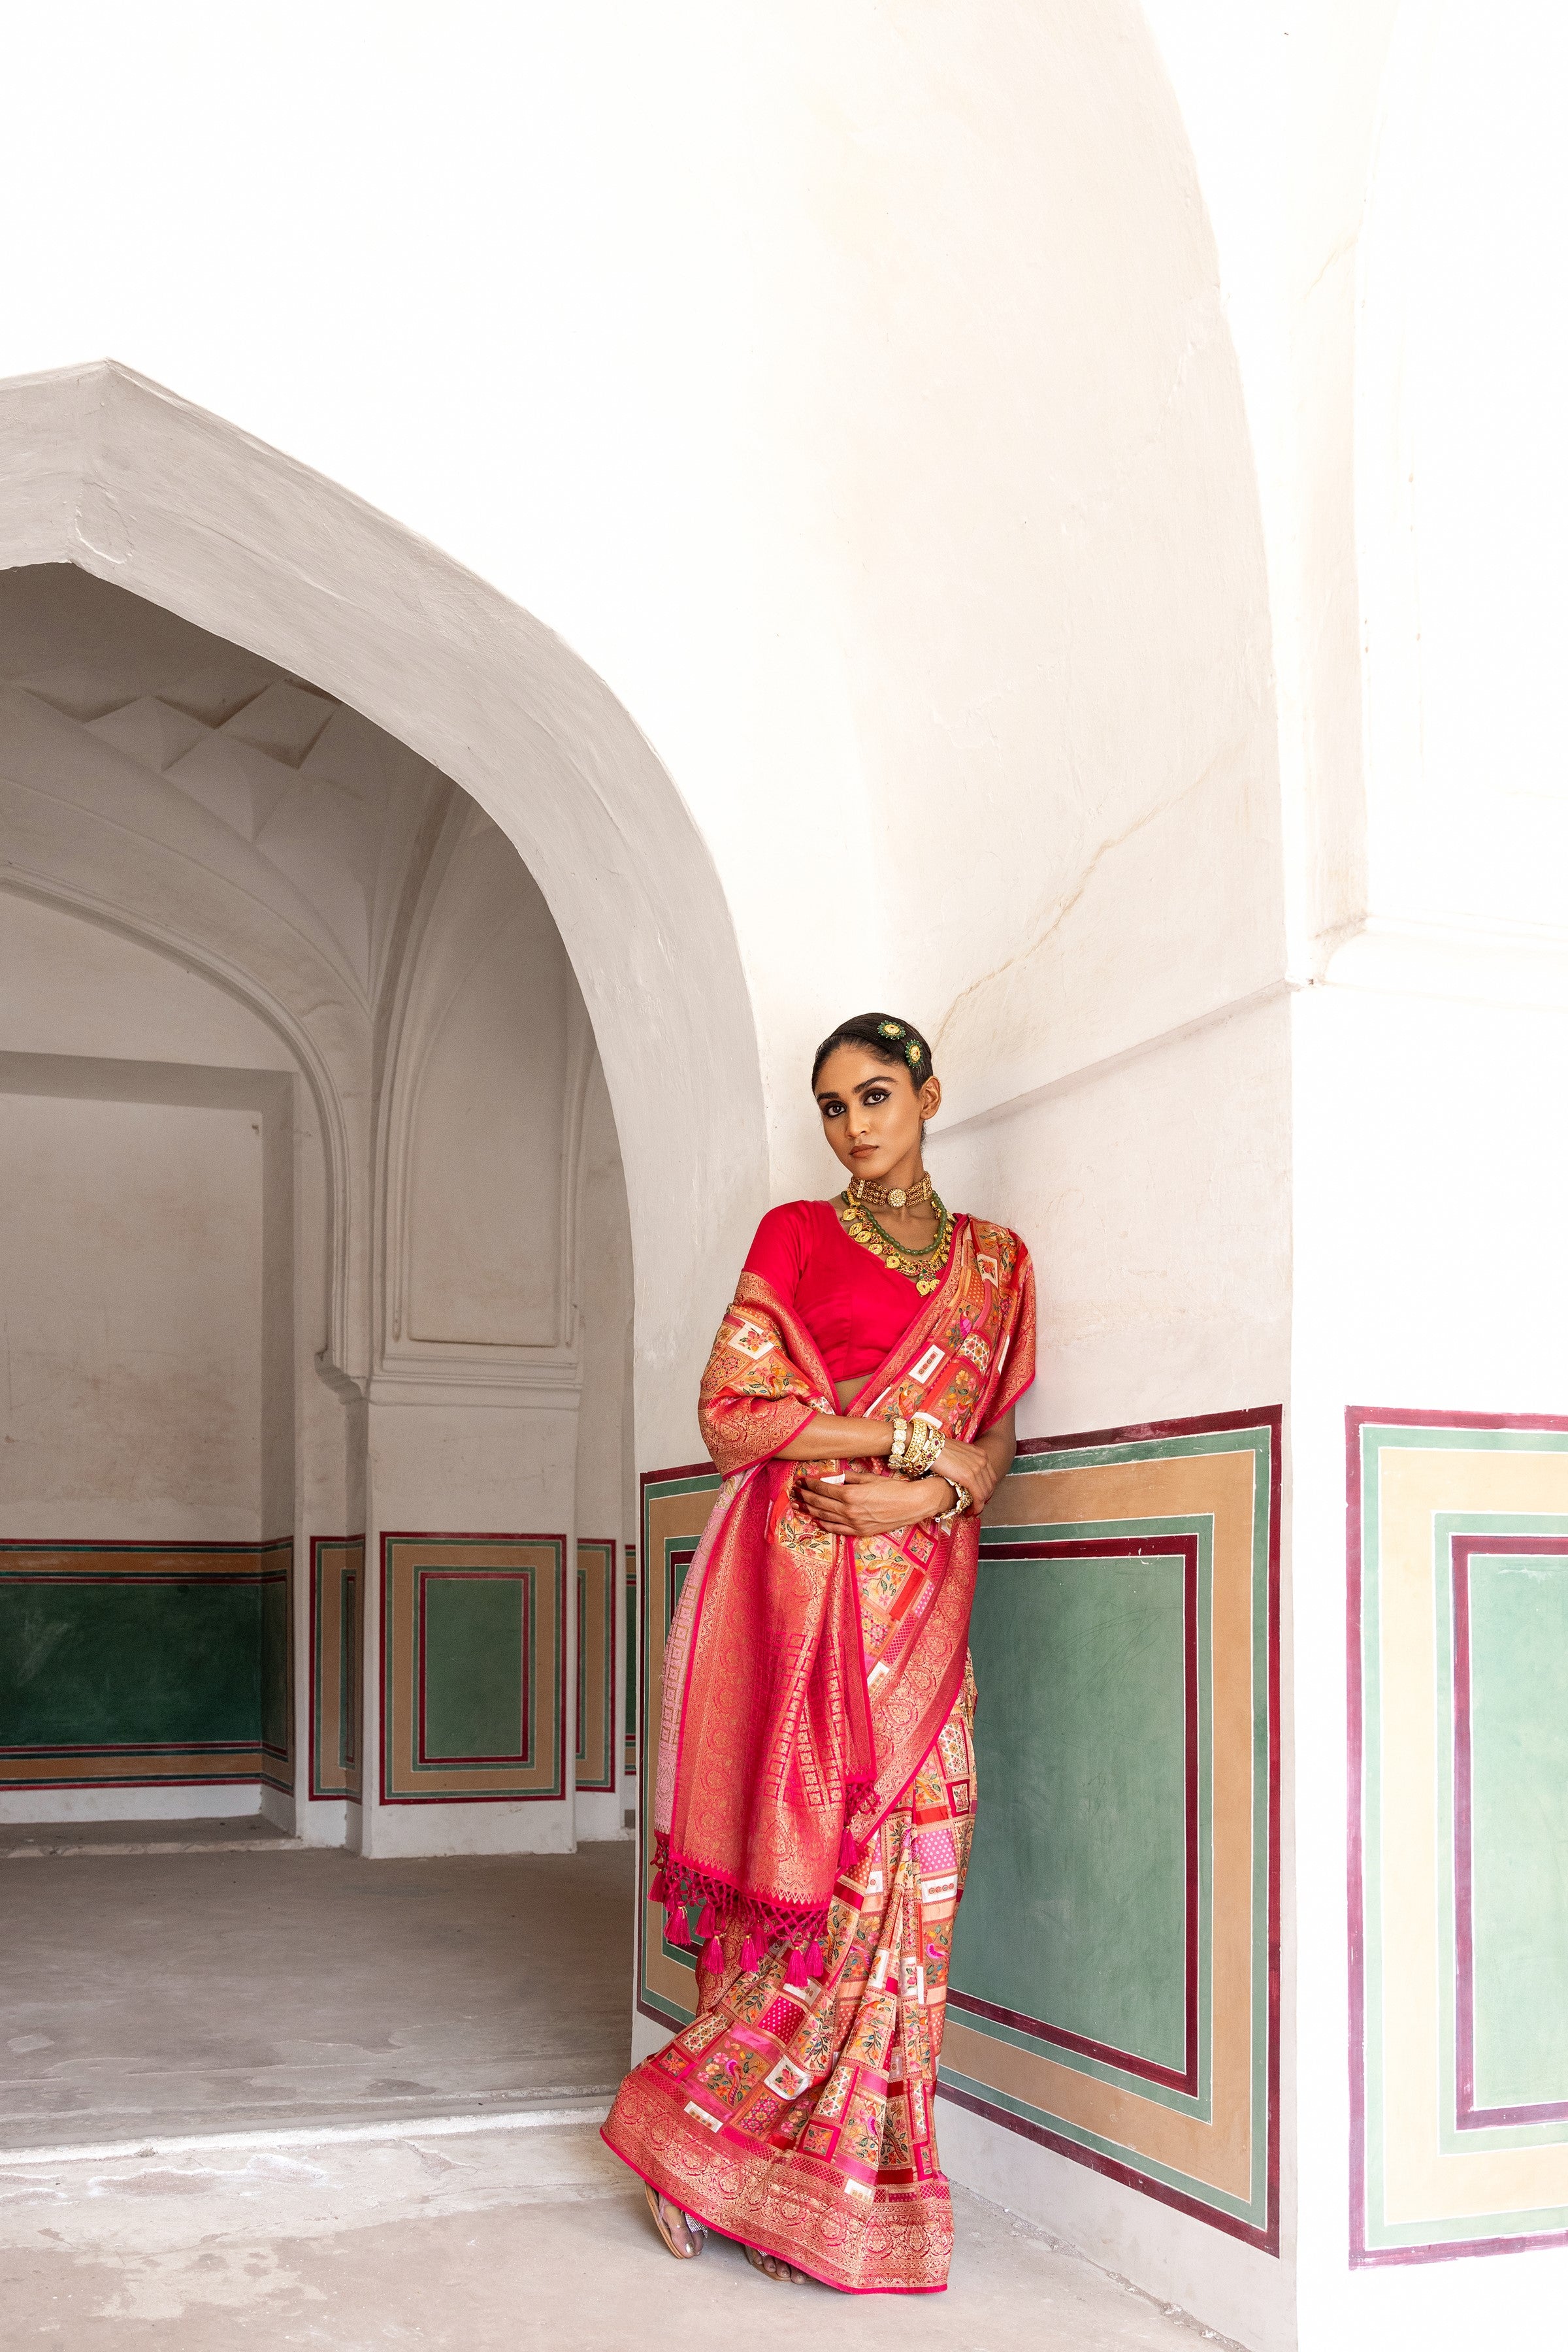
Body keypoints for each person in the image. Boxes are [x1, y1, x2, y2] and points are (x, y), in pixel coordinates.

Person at [601, 1012, 1036, 2293]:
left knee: (920, 1876)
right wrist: (900, 1453)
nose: (854, 1125)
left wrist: (938, 1489)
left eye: (877, 1095)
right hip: (803, 1600)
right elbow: (734, 1415)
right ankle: (690, 2136)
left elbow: (994, 1445)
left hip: (927, 1599)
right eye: (834, 1105)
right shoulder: (794, 1235)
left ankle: (813, 2180)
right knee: (814, 1880)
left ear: (930, 1096)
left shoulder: (998, 1266)